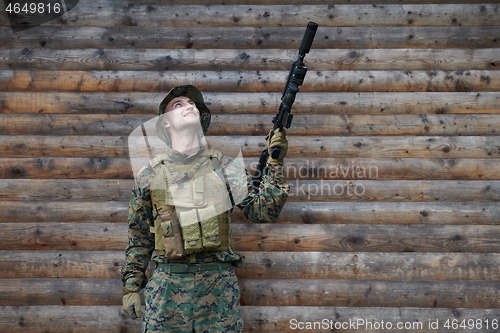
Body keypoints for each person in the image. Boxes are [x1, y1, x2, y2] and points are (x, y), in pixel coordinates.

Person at [121, 85, 290, 333]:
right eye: (178, 104)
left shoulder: (225, 166)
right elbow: (139, 237)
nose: (189, 106)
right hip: (167, 288)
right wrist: (131, 287)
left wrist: (275, 162)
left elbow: (262, 211)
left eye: (192, 104)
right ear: (165, 123)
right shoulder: (150, 174)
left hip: (218, 291)